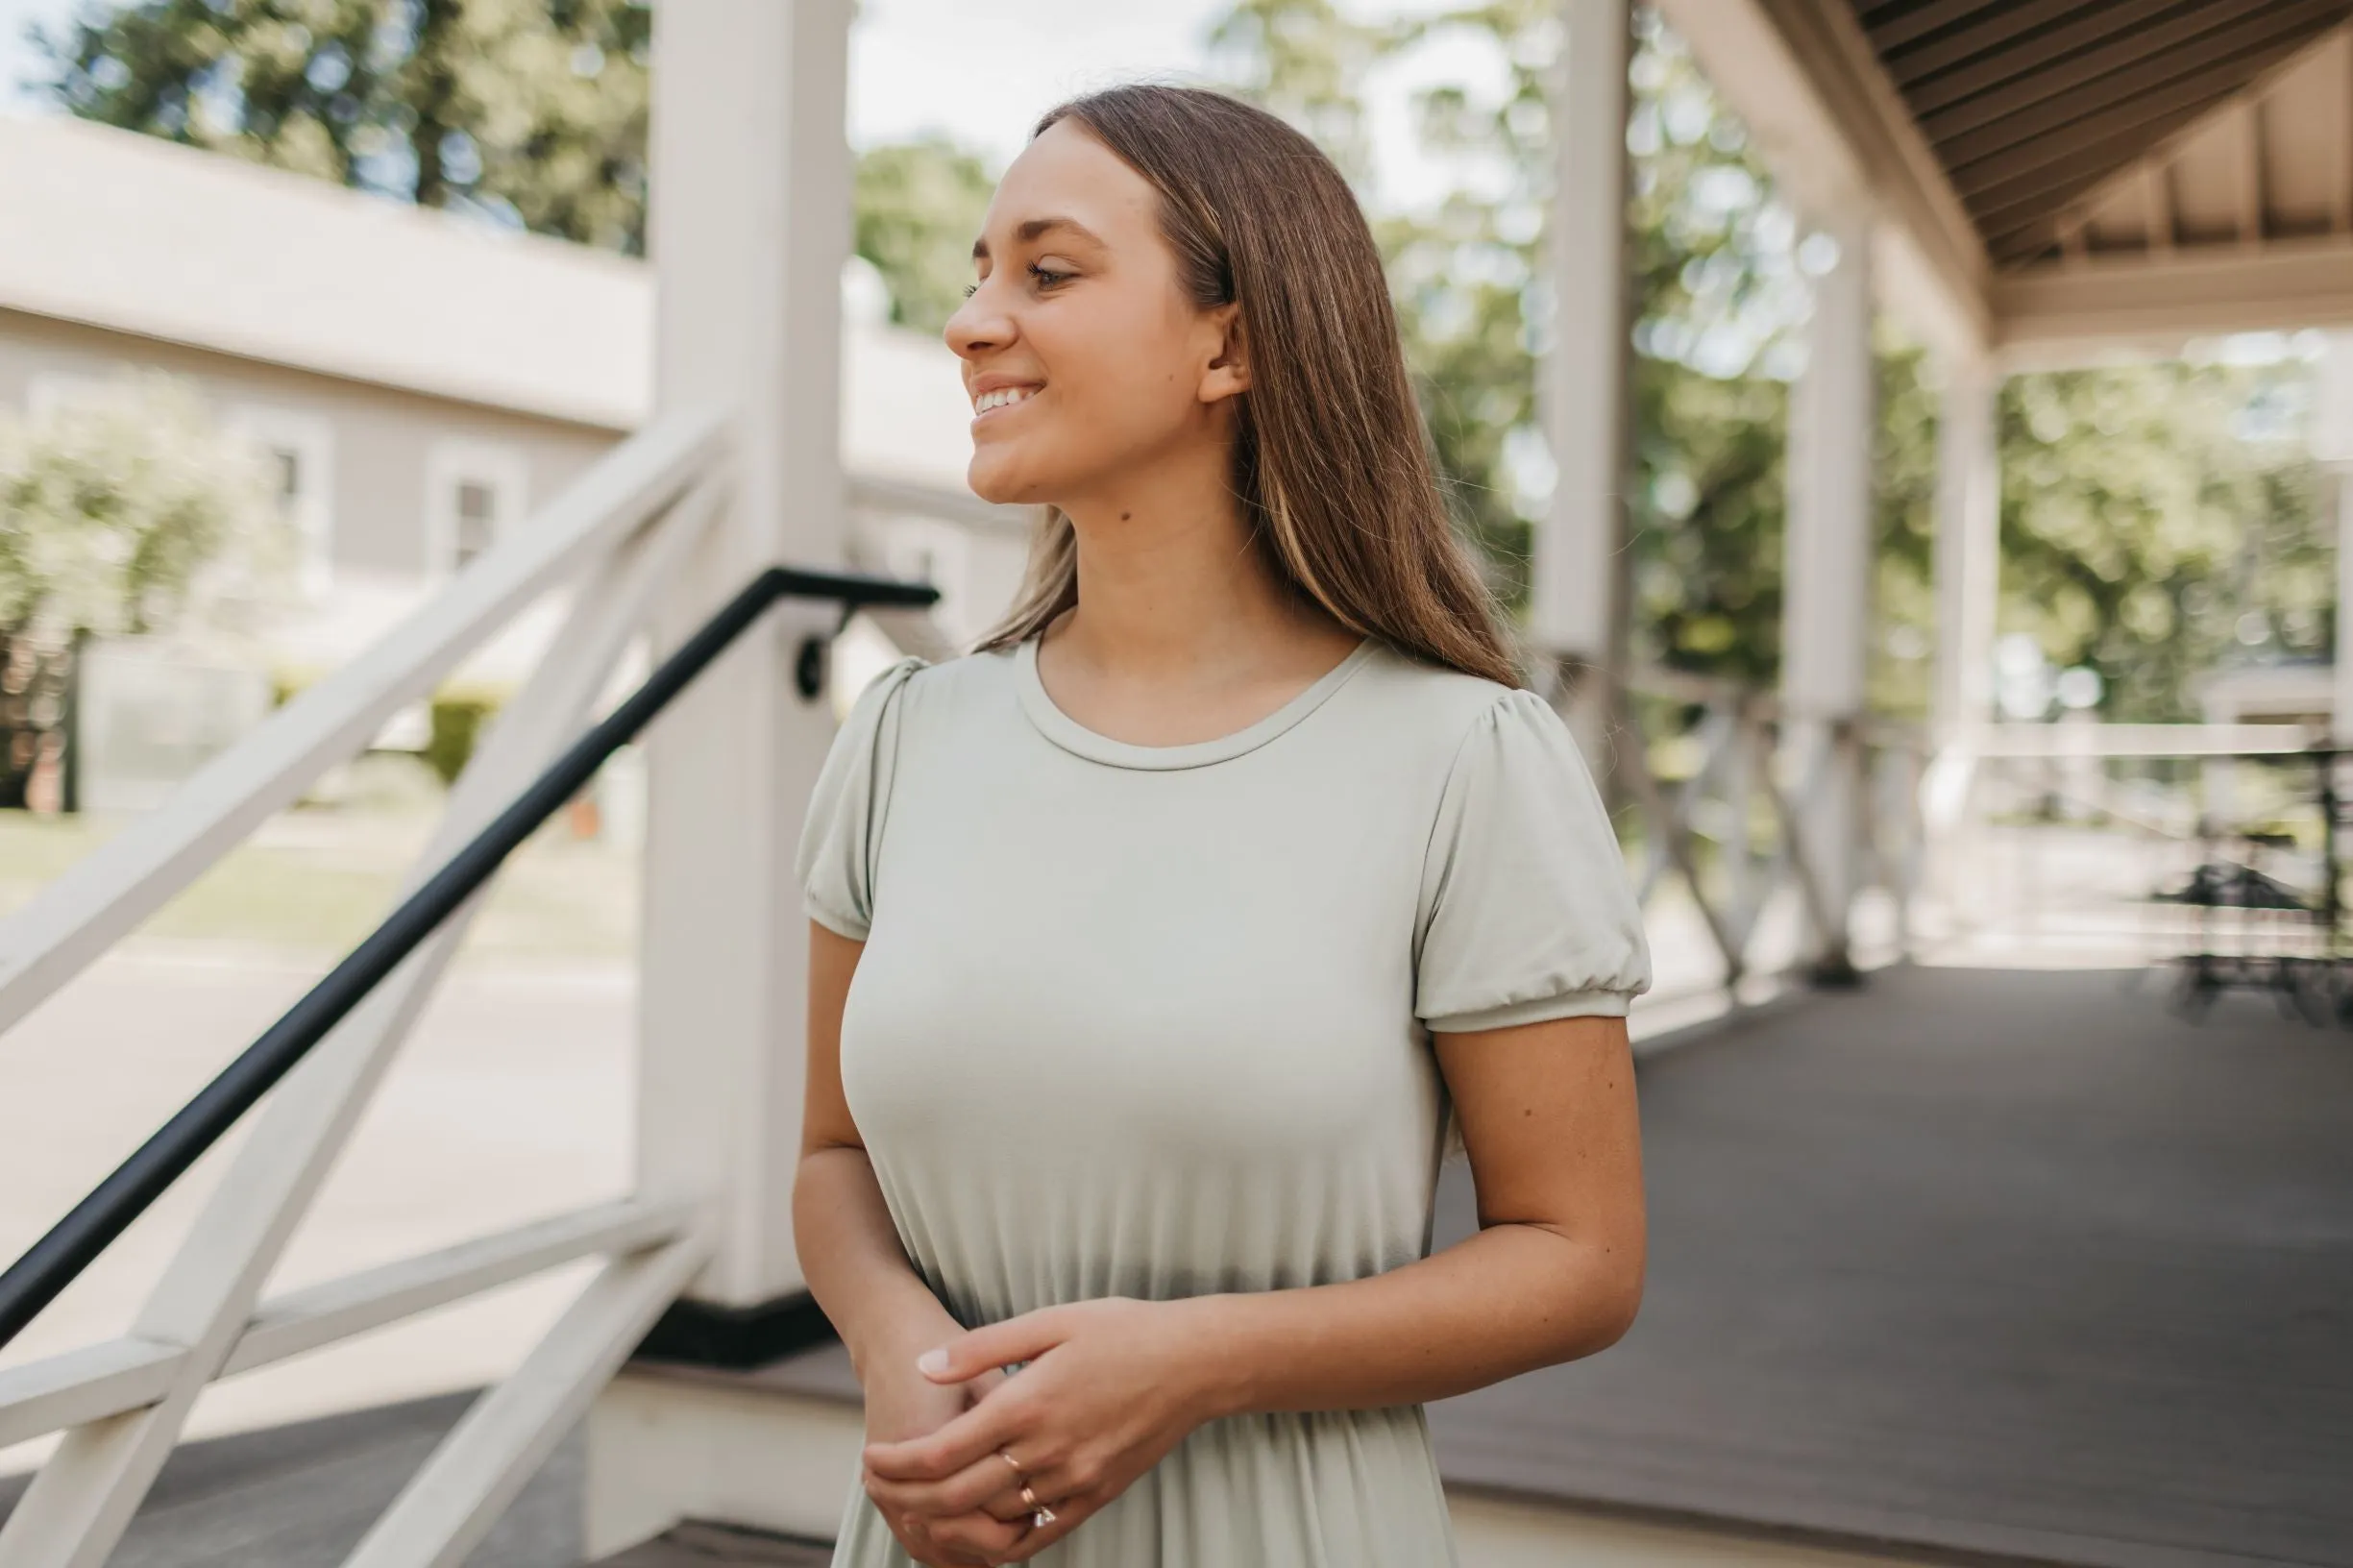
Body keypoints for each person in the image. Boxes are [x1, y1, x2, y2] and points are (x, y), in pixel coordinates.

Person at [793, 83, 1652, 1568]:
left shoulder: (1466, 760)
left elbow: (1578, 1261)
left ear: (1233, 343)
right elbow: (828, 1159)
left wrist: (1197, 1362)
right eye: (977, 275)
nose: (973, 322)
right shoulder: (904, 741)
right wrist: (900, 1357)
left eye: (1046, 272)